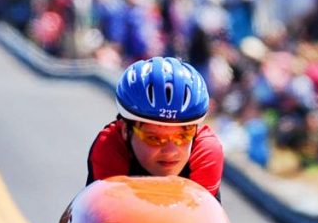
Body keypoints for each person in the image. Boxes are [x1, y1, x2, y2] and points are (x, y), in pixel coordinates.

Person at [87, 56, 224, 200]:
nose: (171, 152)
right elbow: (112, 216)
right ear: (125, 131)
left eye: (183, 137)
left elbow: (197, 219)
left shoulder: (207, 150)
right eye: (154, 138)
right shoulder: (109, 146)